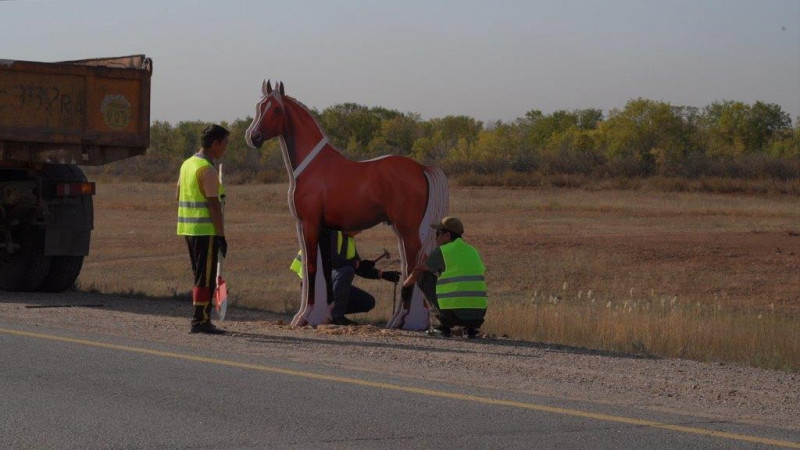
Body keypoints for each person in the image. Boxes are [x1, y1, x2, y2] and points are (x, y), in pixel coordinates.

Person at [176, 124, 230, 334]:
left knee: (200, 274)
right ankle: (200, 321)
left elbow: (178, 192)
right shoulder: (206, 169)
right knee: (205, 277)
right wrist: (221, 235)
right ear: (215, 143)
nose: (225, 148)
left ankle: (201, 318)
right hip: (204, 229)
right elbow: (213, 205)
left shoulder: (187, 164)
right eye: (224, 144)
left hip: (188, 228)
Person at [290, 229, 401, 325]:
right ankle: (335, 316)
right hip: (313, 283)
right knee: (346, 271)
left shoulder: (349, 240)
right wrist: (356, 264)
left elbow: (359, 268)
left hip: (329, 281)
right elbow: (332, 260)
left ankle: (325, 310)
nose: (360, 232)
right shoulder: (331, 232)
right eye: (358, 228)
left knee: (368, 302)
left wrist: (383, 274)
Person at [403, 216, 487, 338]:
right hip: (478, 315)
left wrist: (405, 286)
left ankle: (442, 327)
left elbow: (419, 268)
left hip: (454, 314)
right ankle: (471, 330)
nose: (435, 238)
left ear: (447, 235)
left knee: (423, 275)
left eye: (438, 234)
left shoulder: (443, 251)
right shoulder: (472, 251)